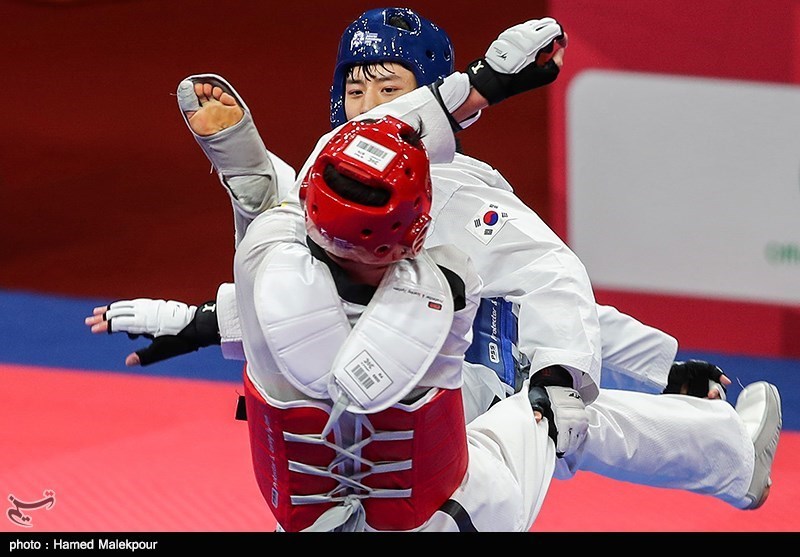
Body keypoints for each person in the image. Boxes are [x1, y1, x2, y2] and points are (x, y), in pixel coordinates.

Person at [86, 9, 781, 512]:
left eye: (388, 89)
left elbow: (550, 285)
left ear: (422, 94)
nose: (365, 106)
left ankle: (725, 453)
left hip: (456, 401)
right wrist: (200, 322)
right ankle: (728, 453)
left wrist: (644, 368)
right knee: (558, 428)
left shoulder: (450, 191)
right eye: (353, 90)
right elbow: (300, 289)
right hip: (361, 424)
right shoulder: (331, 182)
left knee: (557, 420)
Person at [227, 111, 582, 531]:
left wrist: (237, 153)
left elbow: (291, 199)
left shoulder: (258, 258)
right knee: (545, 410)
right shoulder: (452, 284)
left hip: (302, 521)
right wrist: (473, 90)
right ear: (415, 229)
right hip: (443, 519)